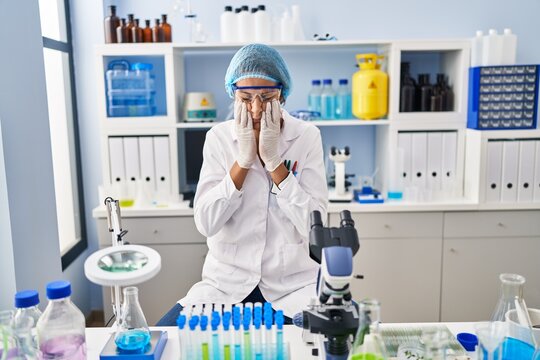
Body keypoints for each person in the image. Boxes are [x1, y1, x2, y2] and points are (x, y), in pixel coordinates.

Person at [156, 44, 327, 325]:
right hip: (225, 285)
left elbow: (314, 226)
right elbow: (206, 222)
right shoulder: (219, 138)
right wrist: (244, 161)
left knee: (344, 339)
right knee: (166, 337)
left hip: (293, 285)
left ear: (282, 94)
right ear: (232, 95)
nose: (256, 108)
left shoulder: (307, 137)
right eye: (246, 98)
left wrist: (274, 164)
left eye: (266, 97)